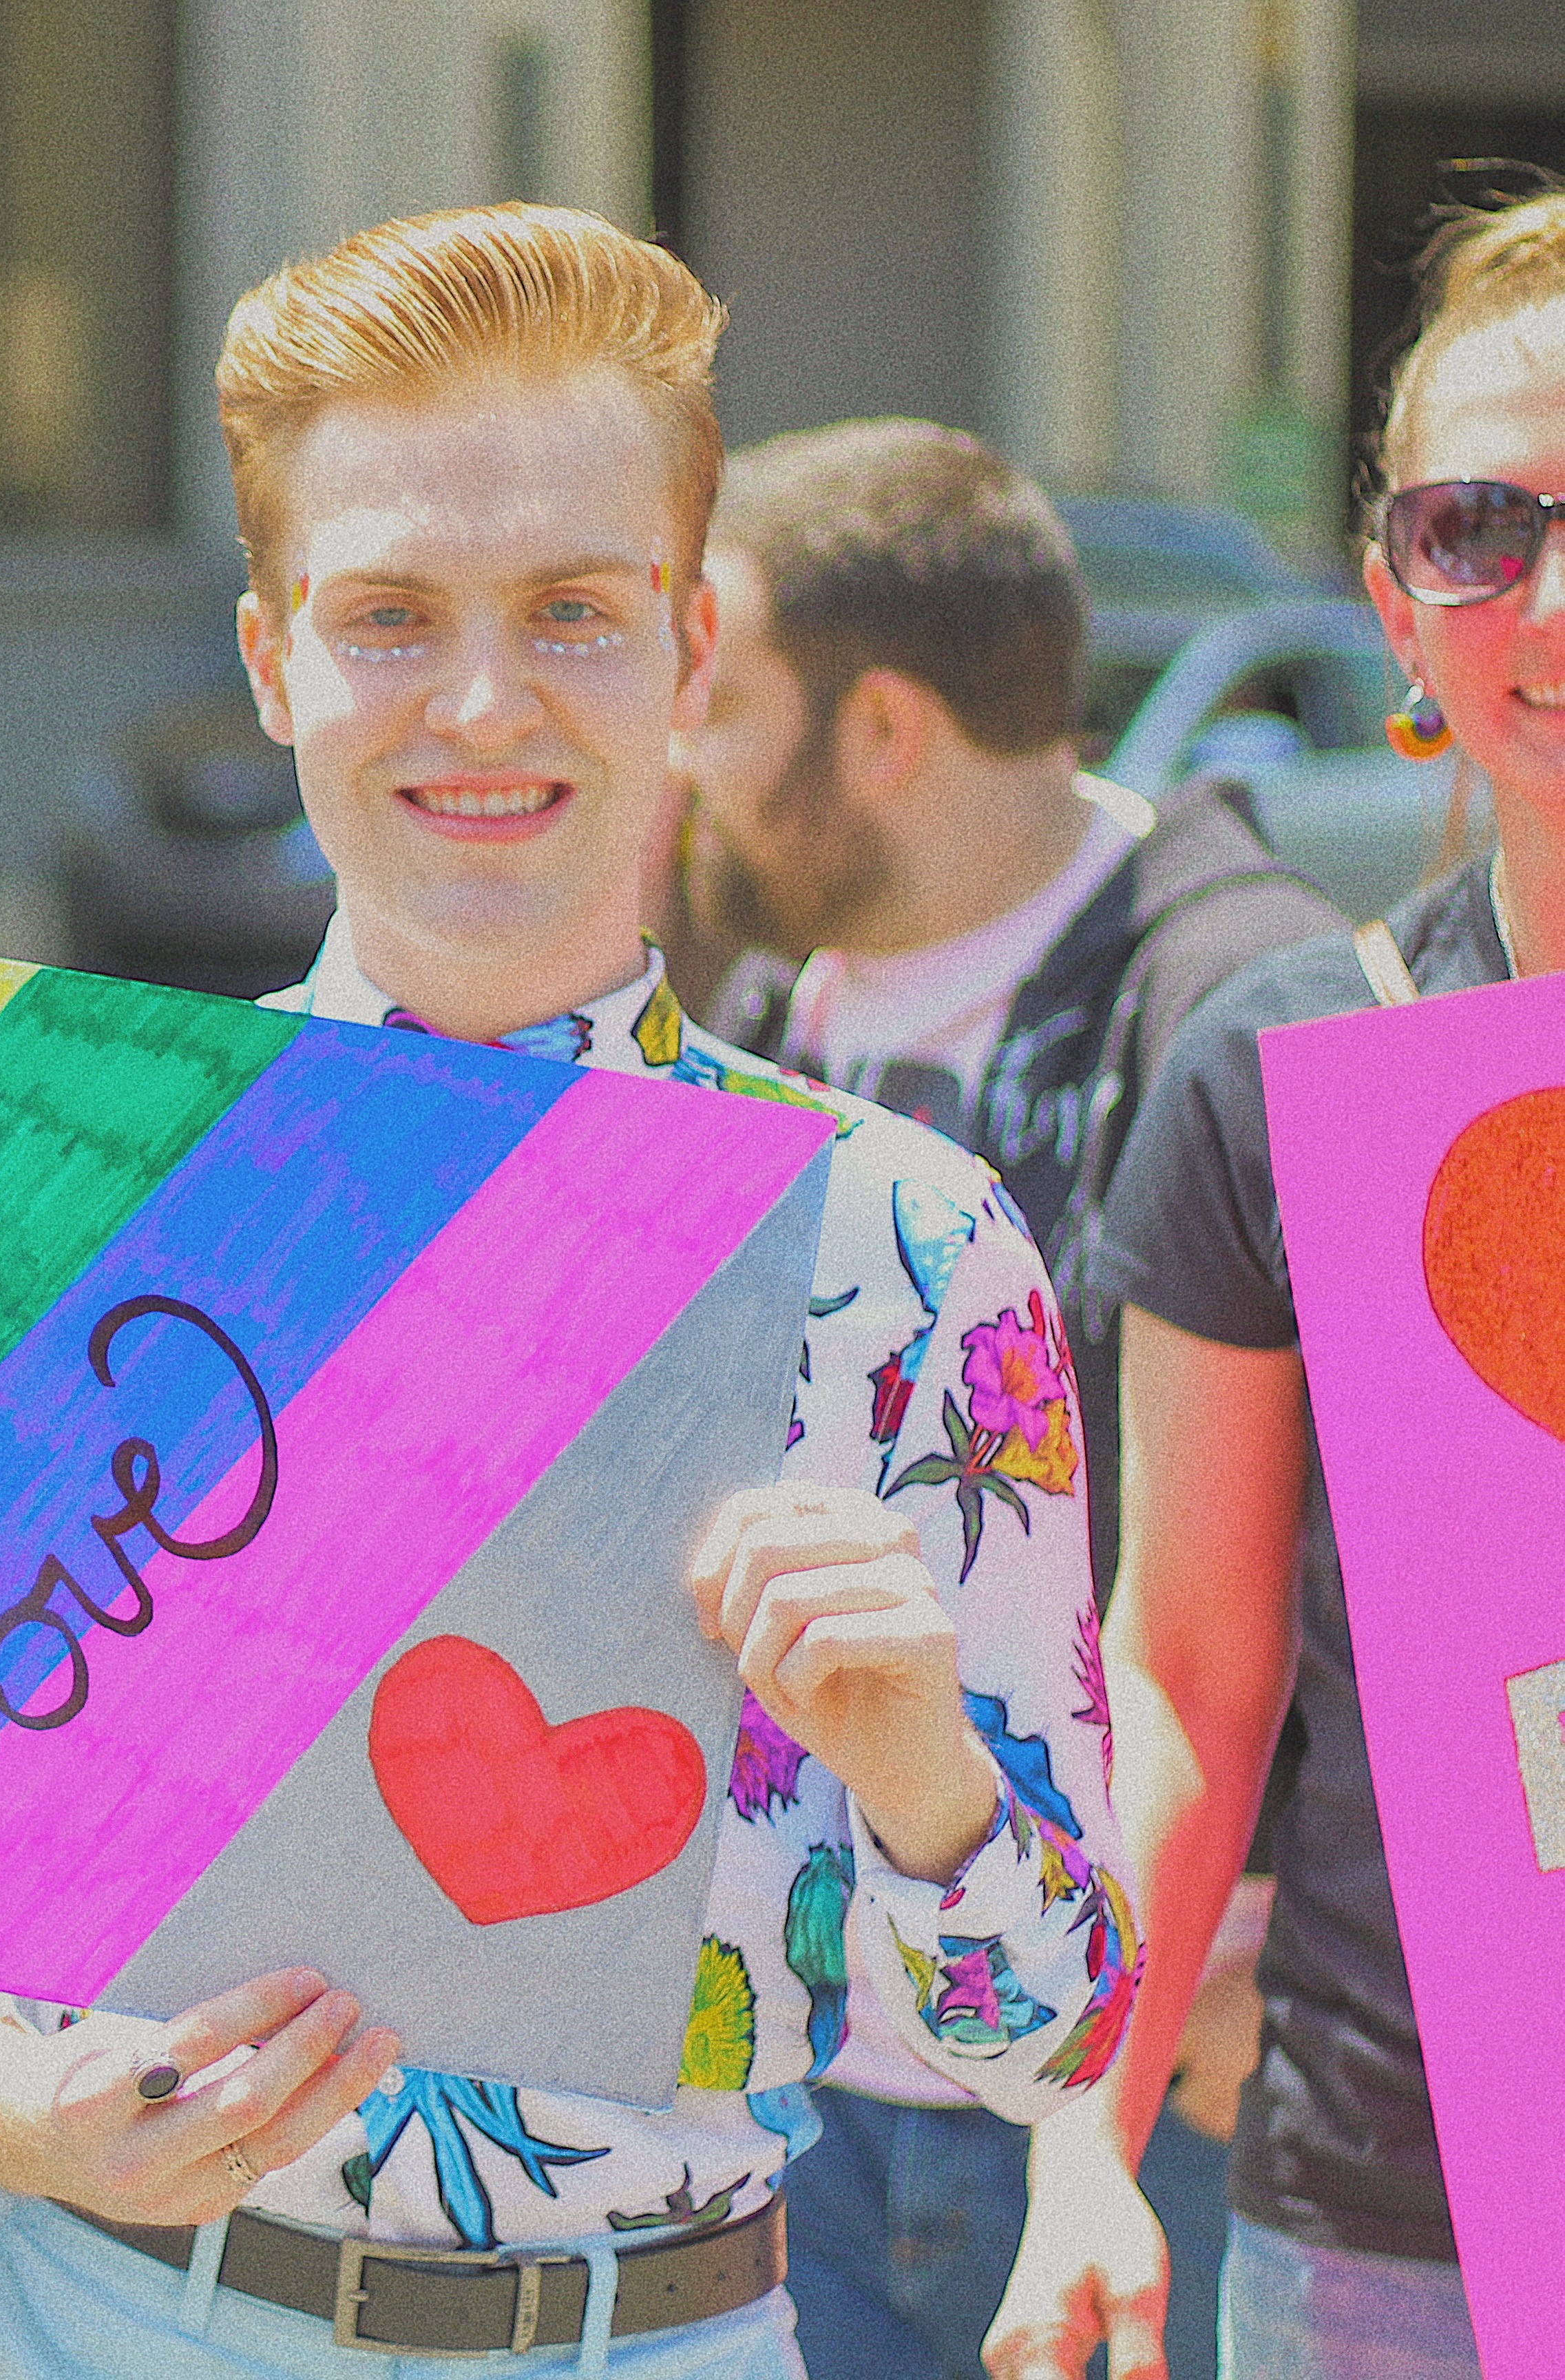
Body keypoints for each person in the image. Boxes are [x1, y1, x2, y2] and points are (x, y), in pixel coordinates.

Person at [0, 203, 1133, 2380]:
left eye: (571, 616)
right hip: (105, 2326)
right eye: (389, 616)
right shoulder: (56, 1197)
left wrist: (920, 1773)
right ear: (268, 658)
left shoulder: (907, 1251)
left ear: (692, 656)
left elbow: (1046, 2040)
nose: (480, 705)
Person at [673, 421, 1338, 2380]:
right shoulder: (770, 1012)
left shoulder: (1242, 1004)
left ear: (877, 731)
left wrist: (1268, 1961)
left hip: (1143, 2096)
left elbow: (1398, 1560)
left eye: (716, 697)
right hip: (806, 2087)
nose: (676, 754)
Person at [987, 188, 1565, 2380]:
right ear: (1395, 612)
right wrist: (1081, 2135)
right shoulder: (1295, 1071)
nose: (1545, 596)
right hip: (1391, 2233)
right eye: (1472, 529)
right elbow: (1192, 1674)